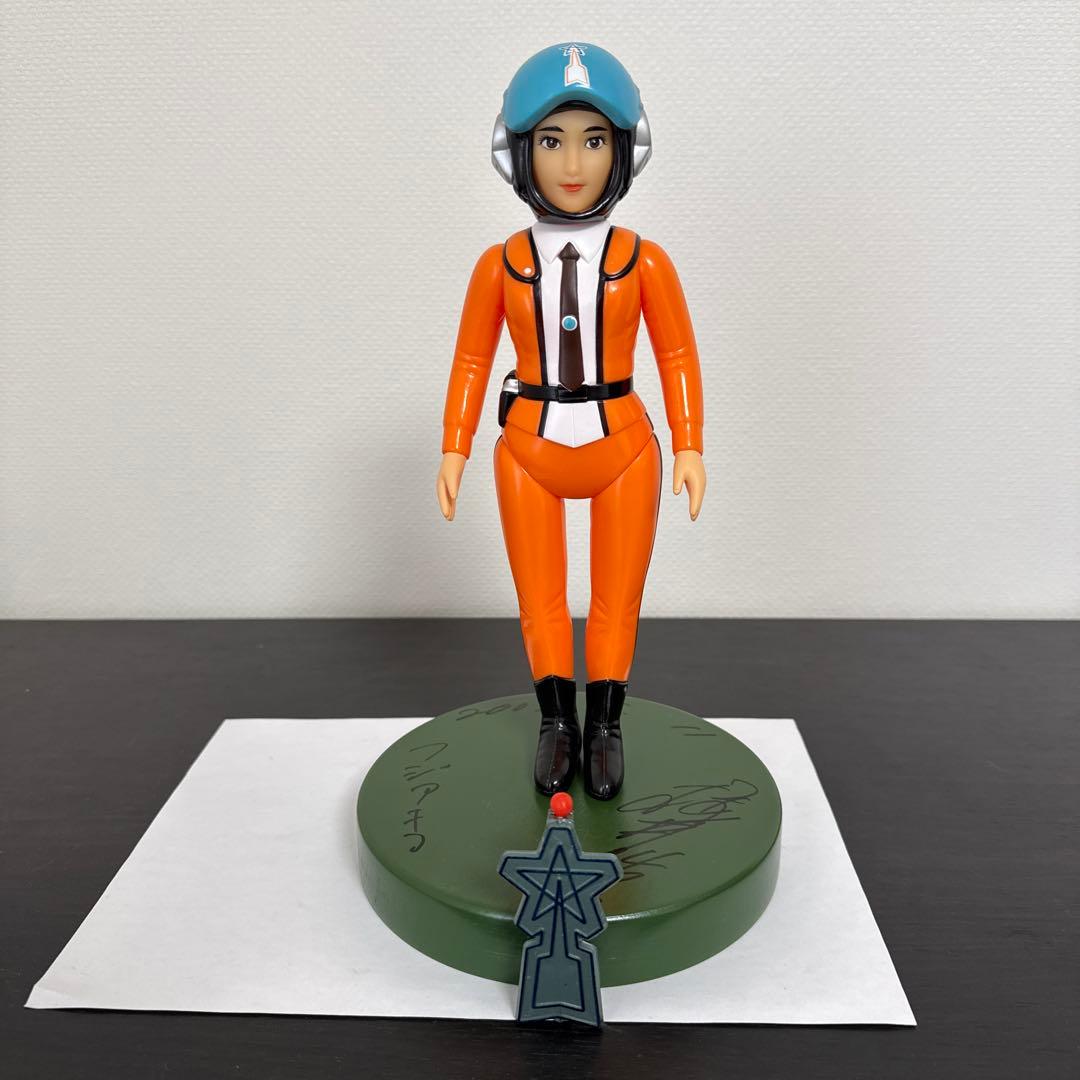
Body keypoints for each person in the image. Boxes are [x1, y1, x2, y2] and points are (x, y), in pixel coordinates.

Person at [436, 43, 705, 800]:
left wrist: (689, 443)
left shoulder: (644, 261)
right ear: (517, 151)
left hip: (624, 447)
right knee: (541, 599)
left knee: (618, 598)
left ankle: (606, 724)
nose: (574, 163)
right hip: (529, 447)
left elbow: (677, 355)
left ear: (626, 149)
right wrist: (455, 446)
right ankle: (557, 720)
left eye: (594, 140)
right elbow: (470, 361)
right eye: (552, 141)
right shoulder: (500, 265)